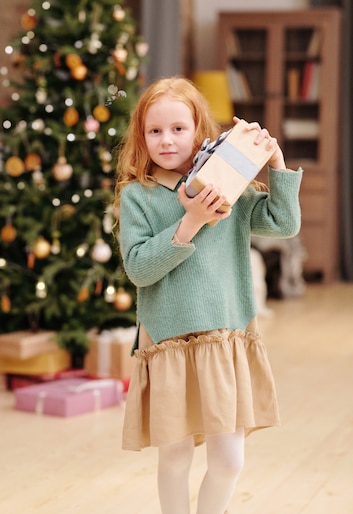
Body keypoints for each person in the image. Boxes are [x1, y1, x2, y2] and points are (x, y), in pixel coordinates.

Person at [114, 76, 302, 514]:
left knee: (229, 459)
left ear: (199, 129)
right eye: (154, 131)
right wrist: (191, 221)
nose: (166, 140)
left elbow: (283, 223)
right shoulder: (137, 196)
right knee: (176, 455)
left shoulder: (228, 185)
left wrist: (275, 163)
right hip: (169, 343)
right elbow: (140, 269)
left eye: (178, 129)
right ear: (141, 136)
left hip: (225, 339)